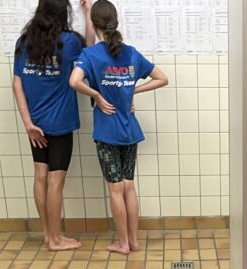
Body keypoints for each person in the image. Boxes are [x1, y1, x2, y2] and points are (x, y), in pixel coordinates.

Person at [70, 0, 169, 255]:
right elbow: (162, 78)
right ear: (116, 22)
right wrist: (132, 90)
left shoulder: (91, 55)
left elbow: (74, 81)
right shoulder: (131, 53)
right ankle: (133, 241)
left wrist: (97, 95)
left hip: (107, 132)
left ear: (94, 24)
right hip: (130, 130)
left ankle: (123, 243)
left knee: (115, 188)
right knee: (128, 185)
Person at [12, 0, 94, 252]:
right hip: (60, 122)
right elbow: (91, 49)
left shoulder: (24, 42)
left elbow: (17, 83)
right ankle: (57, 240)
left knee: (40, 176)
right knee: (55, 181)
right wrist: (88, 13)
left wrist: (28, 123)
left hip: (35, 123)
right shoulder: (69, 42)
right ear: (64, 13)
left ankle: (48, 234)